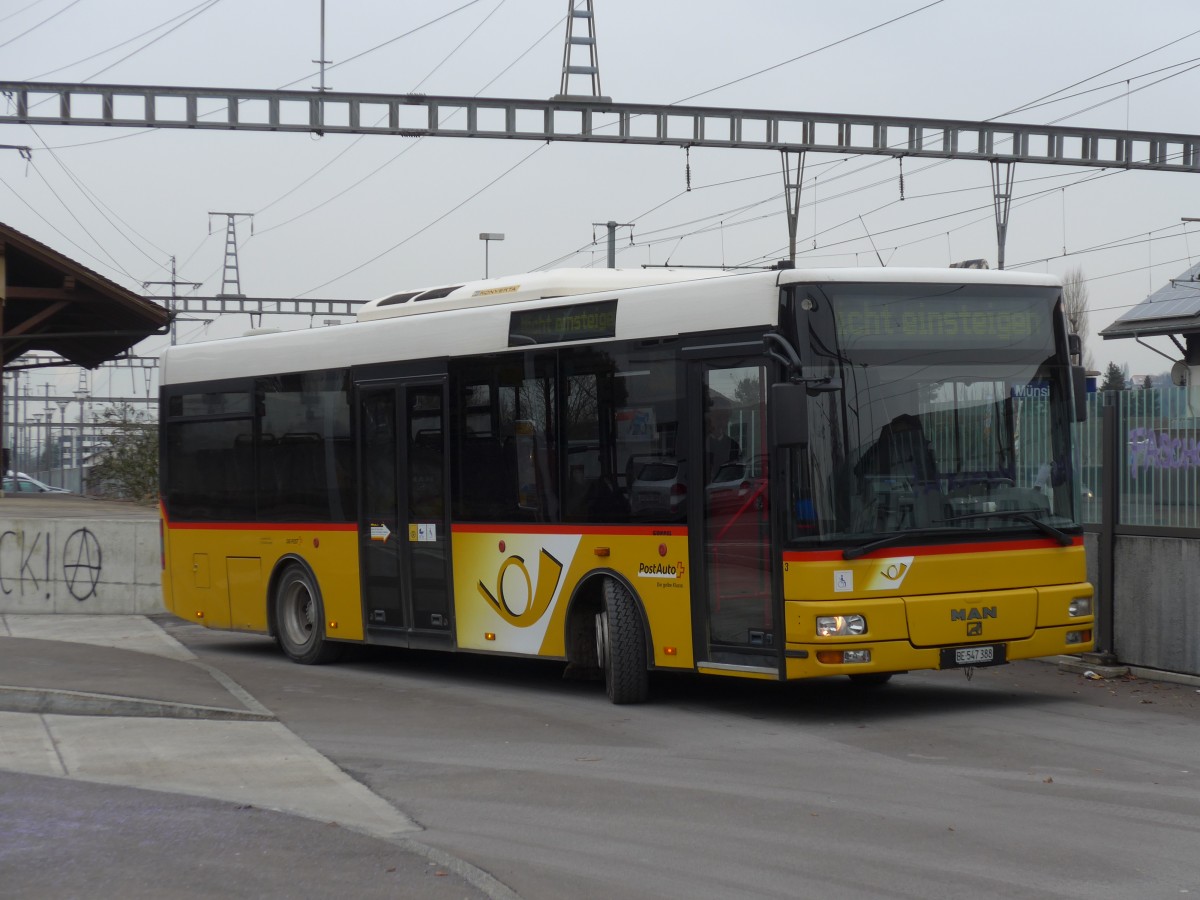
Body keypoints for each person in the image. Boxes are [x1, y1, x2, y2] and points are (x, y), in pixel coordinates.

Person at [706, 391, 741, 480]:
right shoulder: (699, 444)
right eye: (718, 417)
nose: (721, 422)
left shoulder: (734, 446)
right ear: (709, 417)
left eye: (725, 417)